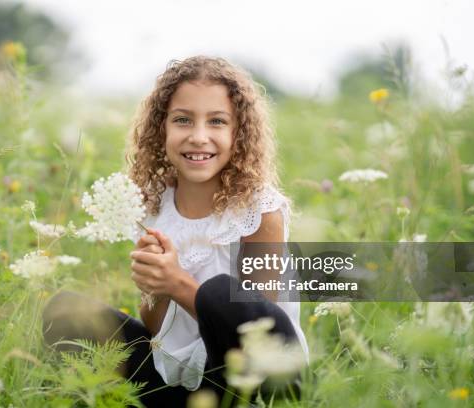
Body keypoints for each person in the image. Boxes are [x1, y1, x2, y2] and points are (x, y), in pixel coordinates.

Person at [43, 55, 309, 407]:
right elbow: (156, 329)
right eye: (183, 120)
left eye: (216, 122)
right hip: (182, 381)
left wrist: (177, 283)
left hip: (255, 376)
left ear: (238, 133)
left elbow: (252, 325)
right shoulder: (153, 206)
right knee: (64, 310)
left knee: (219, 293)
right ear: (162, 128)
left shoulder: (260, 211)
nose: (199, 137)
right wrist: (157, 289)